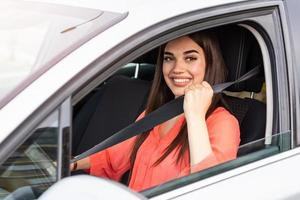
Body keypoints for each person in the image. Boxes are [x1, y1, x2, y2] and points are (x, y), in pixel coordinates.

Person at [71, 30, 240, 192]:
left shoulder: (223, 123)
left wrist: (195, 117)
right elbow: (111, 157)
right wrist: (70, 163)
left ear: (210, 63)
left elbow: (210, 188)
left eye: (190, 58)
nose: (176, 69)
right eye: (169, 58)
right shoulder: (156, 114)